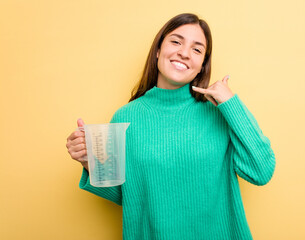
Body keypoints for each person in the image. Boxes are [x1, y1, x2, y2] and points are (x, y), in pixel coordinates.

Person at [66, 13, 276, 240]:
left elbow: (261, 171)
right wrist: (90, 163)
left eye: (197, 49)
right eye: (176, 41)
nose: (184, 53)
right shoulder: (126, 117)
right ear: (158, 50)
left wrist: (231, 104)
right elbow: (129, 195)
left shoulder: (220, 114)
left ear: (202, 66)